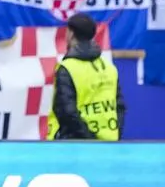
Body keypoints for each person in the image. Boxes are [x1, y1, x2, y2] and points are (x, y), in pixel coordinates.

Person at [47, 13, 123, 141]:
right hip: (108, 143)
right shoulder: (109, 68)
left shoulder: (67, 68)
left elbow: (66, 112)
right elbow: (120, 108)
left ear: (71, 34)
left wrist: (89, 140)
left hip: (74, 146)